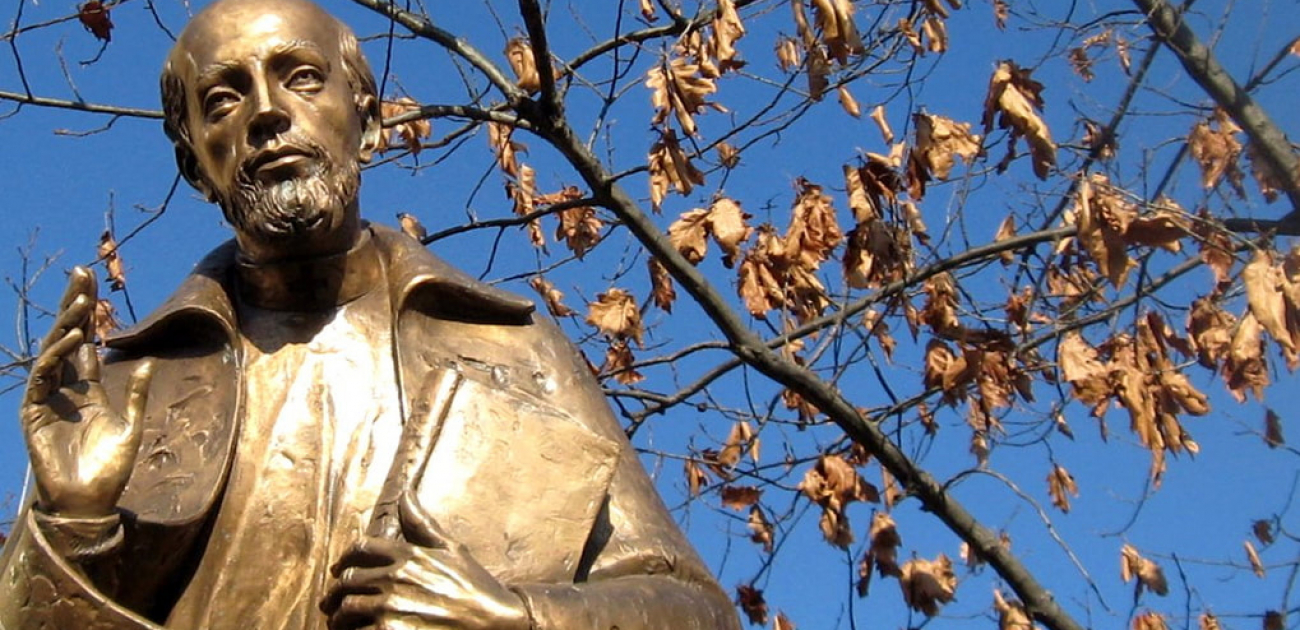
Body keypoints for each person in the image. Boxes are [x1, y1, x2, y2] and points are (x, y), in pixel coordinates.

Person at [0, 1, 740, 628]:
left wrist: (519, 614)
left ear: (372, 122)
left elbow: (693, 606)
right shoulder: (134, 384)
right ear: (196, 166)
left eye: (301, 79)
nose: (265, 112)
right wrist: (74, 528)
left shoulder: (512, 349)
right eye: (223, 98)